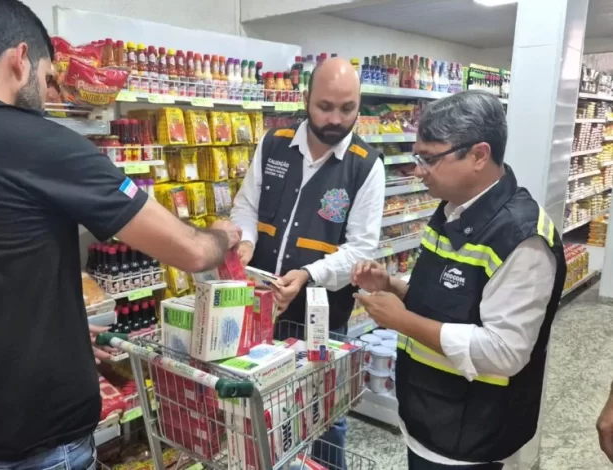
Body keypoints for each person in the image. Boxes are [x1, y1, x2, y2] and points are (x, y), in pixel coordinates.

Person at [0, 0, 241, 468]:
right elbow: (190, 253)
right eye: (48, 78)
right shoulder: (40, 144)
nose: (49, 94)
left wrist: (57, 329)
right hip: (43, 440)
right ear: (20, 57)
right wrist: (222, 234)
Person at [352, 90, 567, 469]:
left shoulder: (522, 238)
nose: (419, 170)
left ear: (479, 155)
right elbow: (449, 298)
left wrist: (400, 320)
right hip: (429, 415)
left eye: (429, 158)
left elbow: (505, 351)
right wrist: (393, 286)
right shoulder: (452, 209)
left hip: (471, 436)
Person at [231, 57, 386, 469]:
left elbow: (361, 248)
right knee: (259, 403)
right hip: (261, 305)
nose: (336, 118)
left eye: (348, 108)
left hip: (321, 316)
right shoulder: (274, 142)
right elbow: (245, 207)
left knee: (322, 413)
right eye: (325, 106)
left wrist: (307, 275)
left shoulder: (366, 165)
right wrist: (245, 244)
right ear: (306, 99)